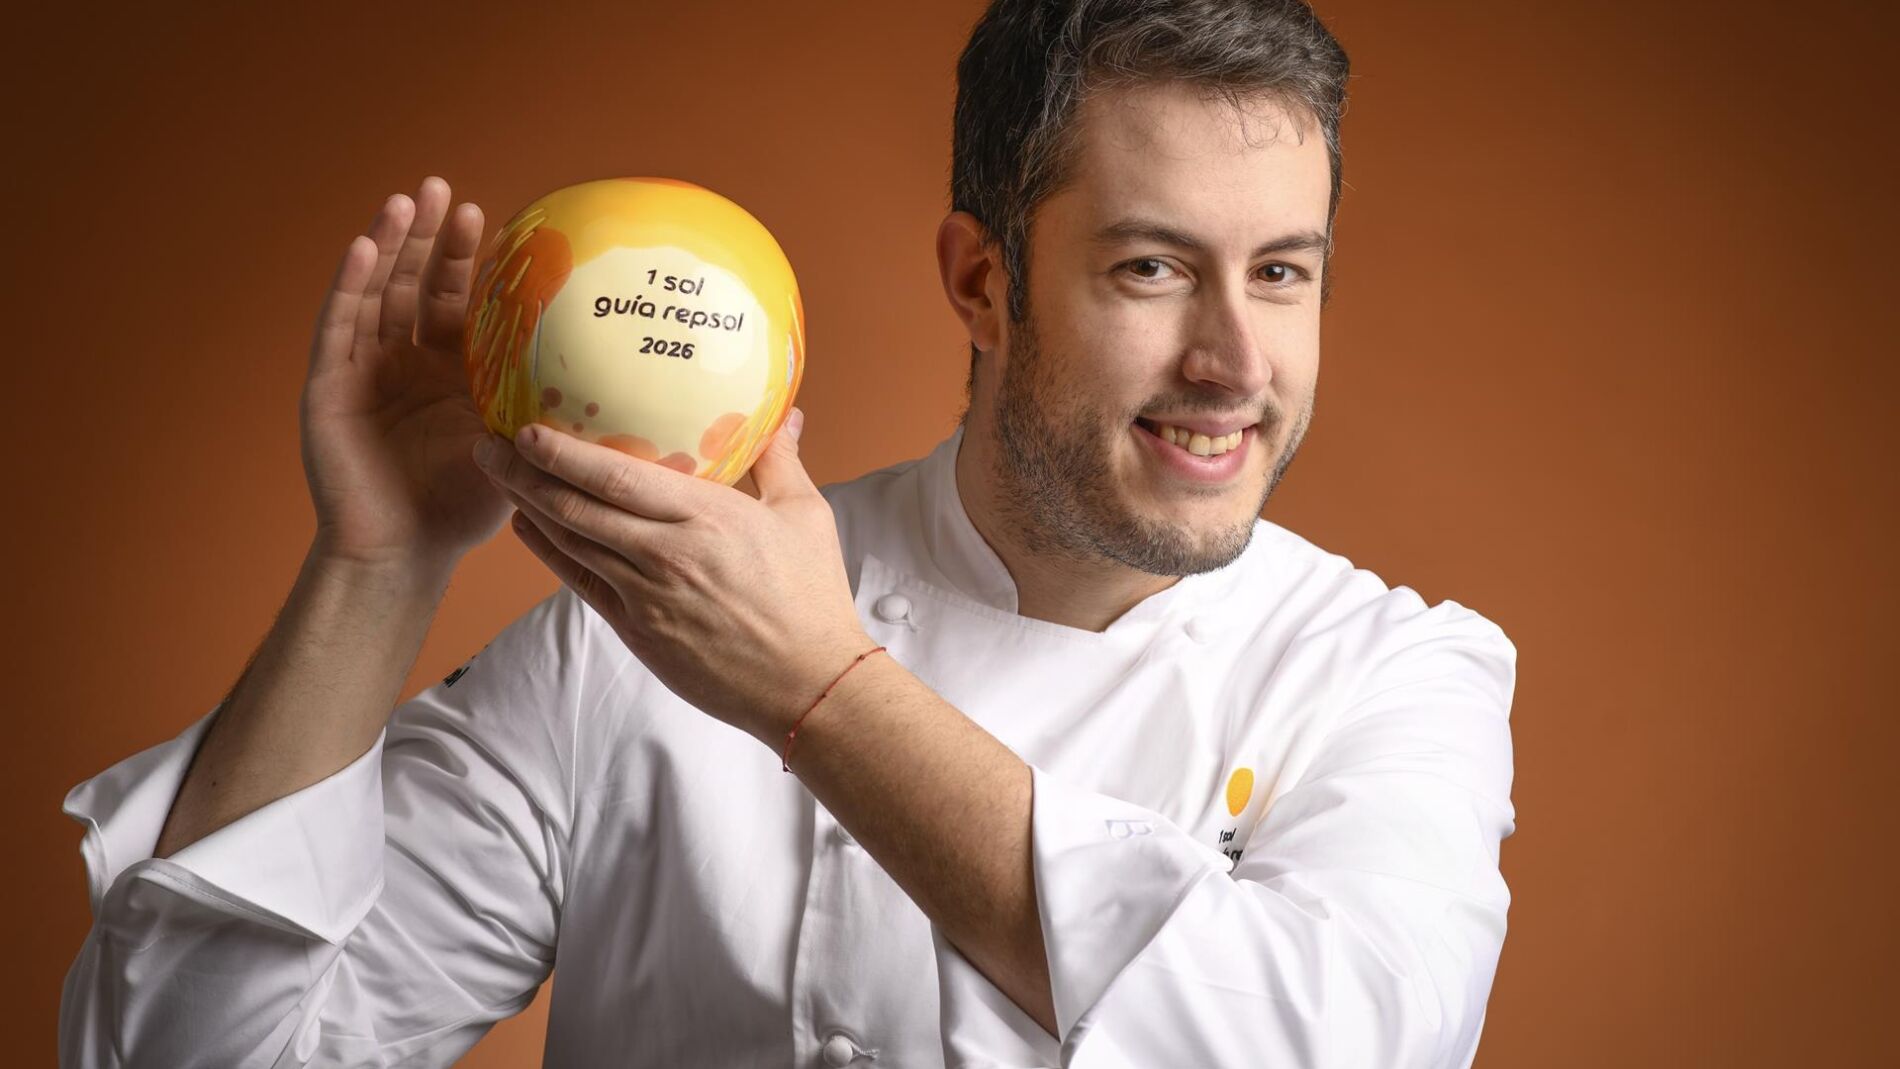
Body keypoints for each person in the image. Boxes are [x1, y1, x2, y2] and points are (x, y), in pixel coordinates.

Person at [58, 1, 1519, 1066]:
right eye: (1152, 267)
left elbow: (1317, 1044)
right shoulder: (642, 635)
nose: (1235, 361)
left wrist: (818, 689)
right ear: (982, 282)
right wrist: (375, 568)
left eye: (1282, 273)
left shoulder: (1393, 676)